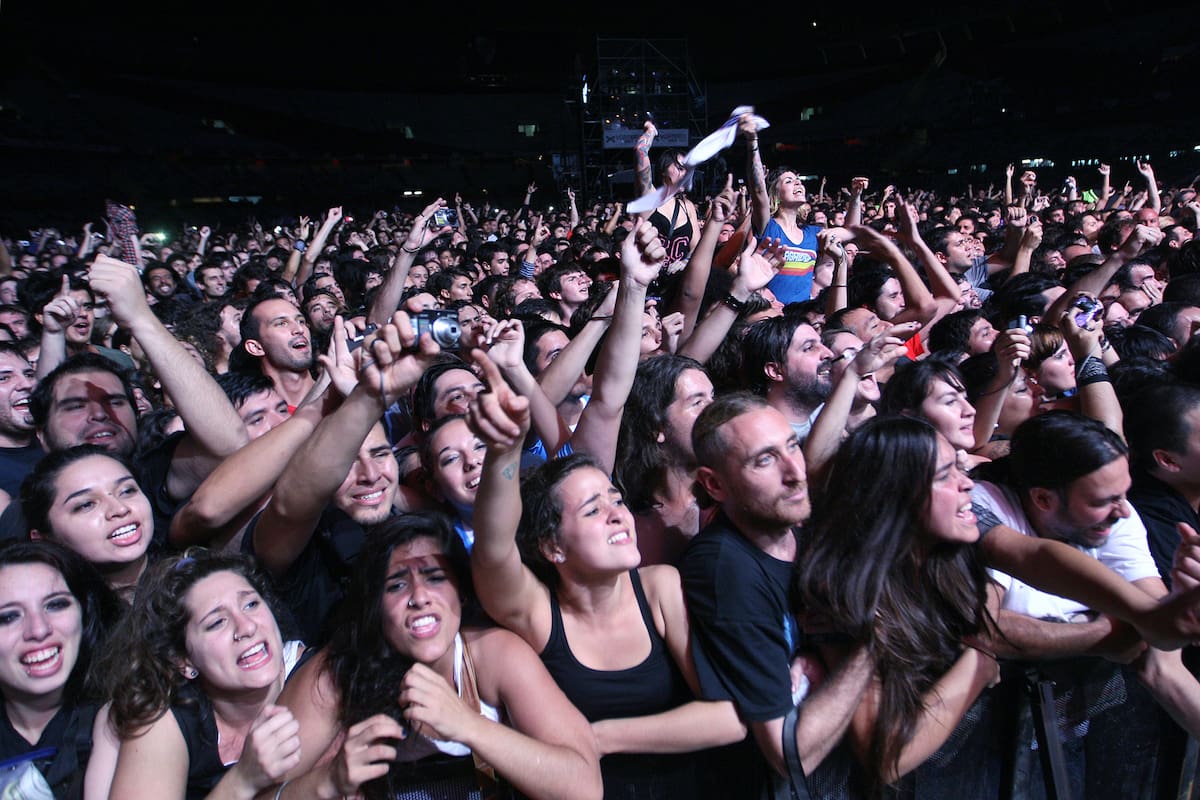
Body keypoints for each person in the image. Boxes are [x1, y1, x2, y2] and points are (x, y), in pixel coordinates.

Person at [466, 354, 744, 798]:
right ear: (552, 546)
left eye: (615, 500)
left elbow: (728, 718)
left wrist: (597, 738)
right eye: (593, 510)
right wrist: (504, 447)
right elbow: (494, 548)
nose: (619, 516)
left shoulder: (658, 586)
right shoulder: (538, 614)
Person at [274, 513, 602, 800]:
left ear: (460, 592)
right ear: (375, 604)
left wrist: (467, 725)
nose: (420, 597)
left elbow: (584, 786)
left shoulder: (493, 655)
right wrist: (327, 782)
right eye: (397, 585)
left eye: (435, 578)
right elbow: (254, 792)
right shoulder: (335, 675)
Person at [680, 393, 874, 797]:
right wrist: (874, 645)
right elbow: (790, 754)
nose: (795, 473)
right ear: (714, 484)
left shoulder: (808, 529)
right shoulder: (724, 568)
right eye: (764, 460)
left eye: (792, 447)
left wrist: (822, 653)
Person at [794, 417, 999, 794]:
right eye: (943, 476)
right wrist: (980, 662)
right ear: (893, 497)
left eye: (959, 466)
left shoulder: (947, 559)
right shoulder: (844, 591)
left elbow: (997, 592)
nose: (966, 483)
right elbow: (886, 757)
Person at [99, 551, 305, 800]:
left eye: (251, 604)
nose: (247, 627)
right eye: (217, 622)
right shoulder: (168, 713)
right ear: (183, 661)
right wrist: (242, 780)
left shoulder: (317, 676)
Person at [0, 540, 121, 799]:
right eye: (8, 617)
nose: (39, 629)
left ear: (85, 613)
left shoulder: (130, 714)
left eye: (55, 604)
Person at [23, 446, 155, 600]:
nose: (120, 508)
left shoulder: (187, 576)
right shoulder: (55, 618)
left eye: (127, 491)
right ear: (44, 539)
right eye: (86, 504)